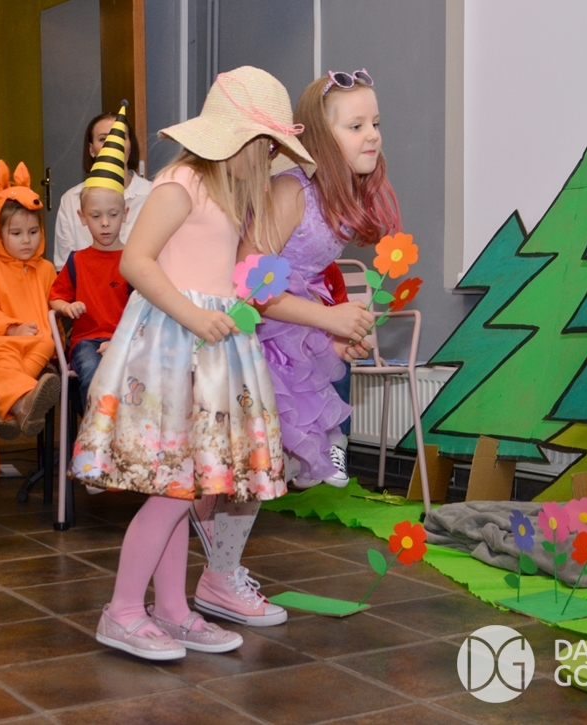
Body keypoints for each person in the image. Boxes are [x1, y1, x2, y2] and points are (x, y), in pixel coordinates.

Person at [70, 66, 312, 661]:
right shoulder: (180, 183)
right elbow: (136, 261)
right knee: (171, 489)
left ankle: (173, 610)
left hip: (211, 352)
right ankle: (123, 610)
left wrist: (242, 300)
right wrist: (196, 315)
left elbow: (225, 273)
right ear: (236, 139)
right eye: (265, 147)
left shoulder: (229, 196)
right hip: (172, 348)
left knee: (183, 486)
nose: (269, 160)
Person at [190, 69, 398, 627]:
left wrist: (333, 334)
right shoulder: (292, 191)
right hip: (252, 337)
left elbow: (302, 281)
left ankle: (216, 556)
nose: (372, 135)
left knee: (261, 465)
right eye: (355, 125)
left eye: (375, 122)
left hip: (291, 334)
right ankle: (218, 569)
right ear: (320, 137)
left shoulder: (336, 199)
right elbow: (251, 284)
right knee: (258, 462)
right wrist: (327, 318)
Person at [49, 104, 134, 410]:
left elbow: (143, 310)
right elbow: (55, 298)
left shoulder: (132, 262)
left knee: (136, 377)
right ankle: (95, 431)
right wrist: (66, 307)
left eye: (113, 215)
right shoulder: (77, 261)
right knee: (92, 374)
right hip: (86, 341)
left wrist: (121, 341)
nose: (105, 223)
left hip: (128, 338)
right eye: (96, 216)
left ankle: (127, 434)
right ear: (83, 218)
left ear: (125, 213)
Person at [0, 161, 59, 439]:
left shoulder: (46, 269)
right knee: (4, 354)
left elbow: (55, 306)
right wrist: (13, 329)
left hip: (37, 341)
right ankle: (24, 400)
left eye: (33, 232)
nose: (26, 241)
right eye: (16, 233)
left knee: (47, 341)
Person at [53, 109, 151, 270]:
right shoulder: (71, 200)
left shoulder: (154, 195)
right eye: (103, 139)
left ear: (130, 146)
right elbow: (64, 268)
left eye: (120, 137)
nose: (113, 145)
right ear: (92, 150)